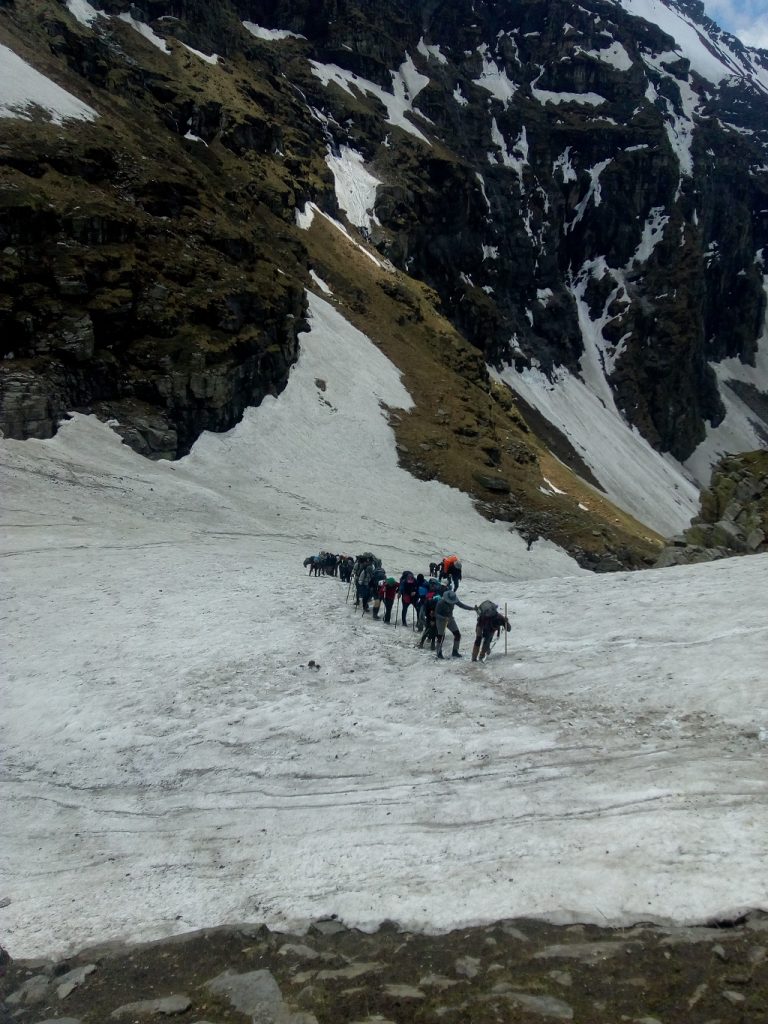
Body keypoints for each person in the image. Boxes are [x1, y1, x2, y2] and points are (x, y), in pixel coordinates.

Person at [434, 590, 475, 659]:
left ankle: (455, 651)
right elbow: (436, 614)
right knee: (441, 637)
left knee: (457, 635)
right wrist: (443, 618)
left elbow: (462, 605)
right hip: (441, 621)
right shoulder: (440, 603)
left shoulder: (454, 600)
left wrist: (472, 608)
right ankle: (439, 652)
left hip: (450, 619)